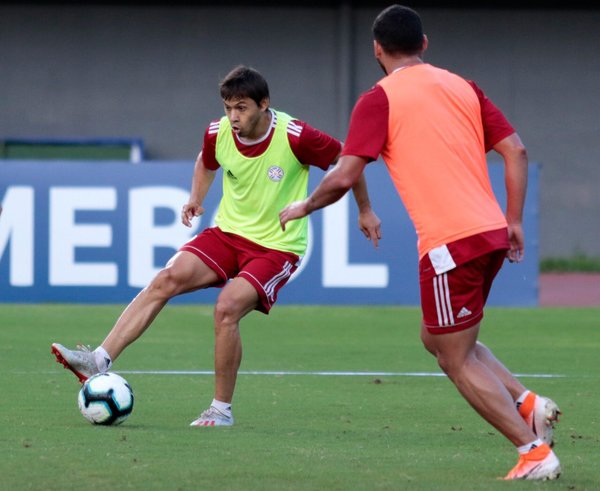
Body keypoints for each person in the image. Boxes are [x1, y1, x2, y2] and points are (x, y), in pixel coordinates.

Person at [279, 5, 561, 481]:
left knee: (454, 356)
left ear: (376, 49)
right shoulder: (463, 86)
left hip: (452, 244)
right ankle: (528, 404)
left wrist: (304, 205)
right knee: (437, 337)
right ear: (424, 44)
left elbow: (346, 173)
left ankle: (533, 452)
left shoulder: (379, 99)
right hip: (488, 233)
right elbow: (516, 149)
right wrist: (513, 220)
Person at [52, 65, 381, 427]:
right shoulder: (218, 132)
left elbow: (349, 163)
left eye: (241, 108)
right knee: (166, 278)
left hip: (277, 246)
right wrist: (196, 197)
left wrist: (364, 210)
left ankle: (220, 410)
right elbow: (206, 162)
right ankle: (99, 359)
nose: (233, 116)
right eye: (228, 107)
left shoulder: (295, 135)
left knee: (226, 308)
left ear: (264, 104)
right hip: (228, 233)